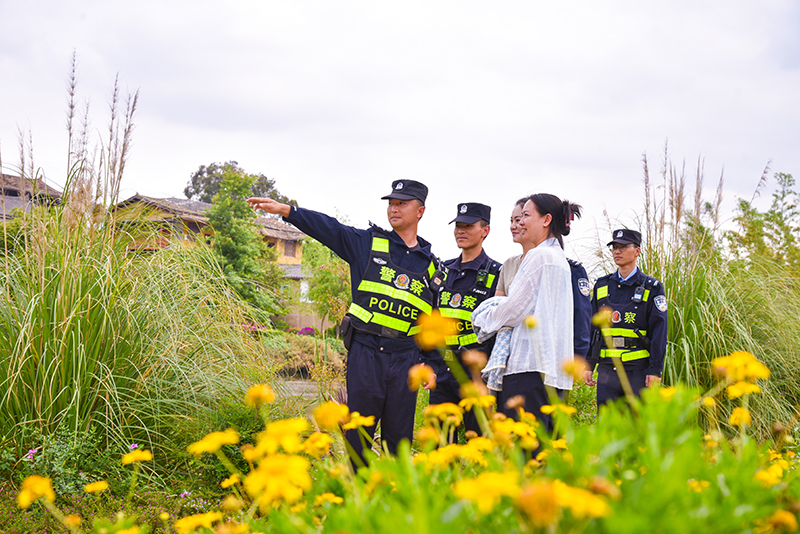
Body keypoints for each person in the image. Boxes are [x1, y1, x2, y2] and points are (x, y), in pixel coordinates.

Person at [246, 180, 441, 467]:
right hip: (366, 353)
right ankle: (356, 499)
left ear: (420, 211)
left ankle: (395, 501)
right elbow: (331, 228)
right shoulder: (367, 243)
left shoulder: (432, 267)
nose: (393, 208)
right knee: (357, 438)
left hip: (406, 359)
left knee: (398, 442)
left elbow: (432, 320)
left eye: (402, 203)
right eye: (391, 203)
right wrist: (288, 211)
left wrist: (432, 363)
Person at [471, 193, 574, 433]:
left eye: (526, 216)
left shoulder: (538, 255)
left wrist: (482, 316)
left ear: (546, 220)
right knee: (544, 445)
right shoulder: (559, 258)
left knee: (522, 447)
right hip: (552, 369)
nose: (520, 222)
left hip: (528, 367)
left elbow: (513, 310)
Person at [429, 202, 501, 435]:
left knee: (478, 444)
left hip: (476, 375)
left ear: (485, 230)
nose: (461, 230)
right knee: (440, 445)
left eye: (468, 226)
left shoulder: (496, 273)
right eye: (458, 225)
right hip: (443, 370)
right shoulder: (443, 271)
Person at [583, 229, 668, 407]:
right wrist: (589, 364)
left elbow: (659, 331)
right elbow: (593, 328)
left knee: (637, 428)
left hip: (638, 371)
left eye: (622, 247)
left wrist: (655, 370)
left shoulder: (652, 287)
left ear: (637, 251)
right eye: (614, 247)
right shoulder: (602, 285)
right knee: (607, 427)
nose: (617, 251)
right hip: (607, 372)